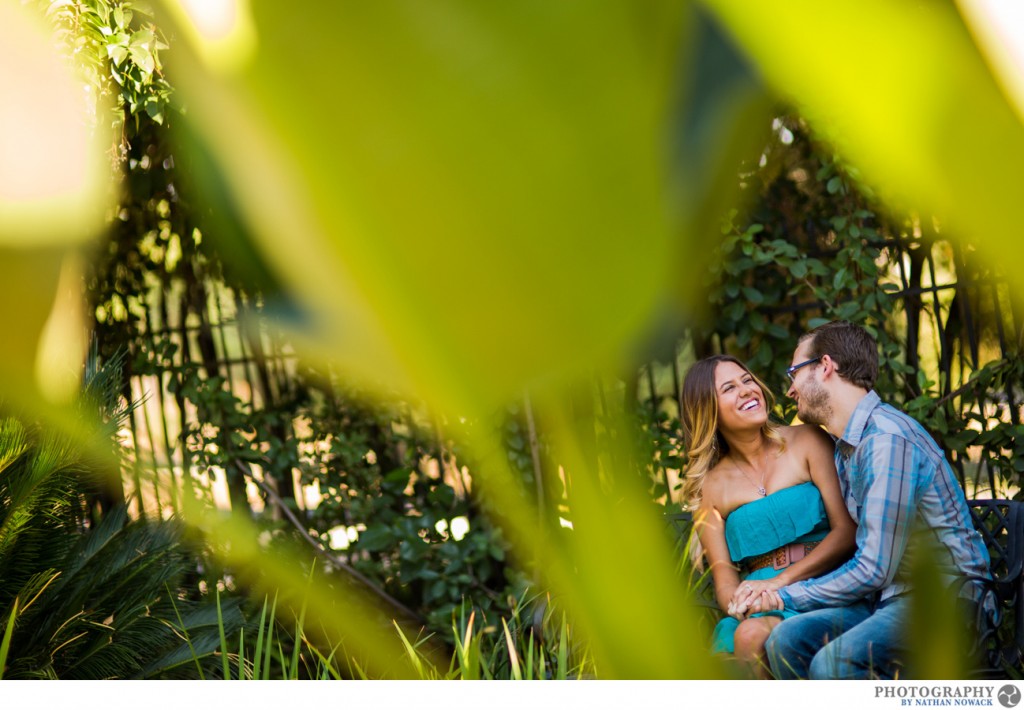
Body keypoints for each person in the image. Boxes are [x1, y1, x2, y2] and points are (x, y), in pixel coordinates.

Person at [737, 321, 992, 679]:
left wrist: (783, 594)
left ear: (825, 366)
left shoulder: (887, 440)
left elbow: (874, 567)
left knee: (833, 662)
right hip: (886, 599)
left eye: (794, 372)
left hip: (949, 600)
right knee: (785, 641)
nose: (790, 389)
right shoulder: (845, 449)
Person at [680, 354, 857, 677]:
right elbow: (723, 576)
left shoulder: (807, 440)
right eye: (730, 388)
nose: (747, 390)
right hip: (761, 600)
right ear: (708, 411)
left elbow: (846, 532)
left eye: (748, 380)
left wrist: (779, 583)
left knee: (747, 638)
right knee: (722, 658)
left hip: (825, 582)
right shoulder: (710, 489)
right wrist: (739, 603)